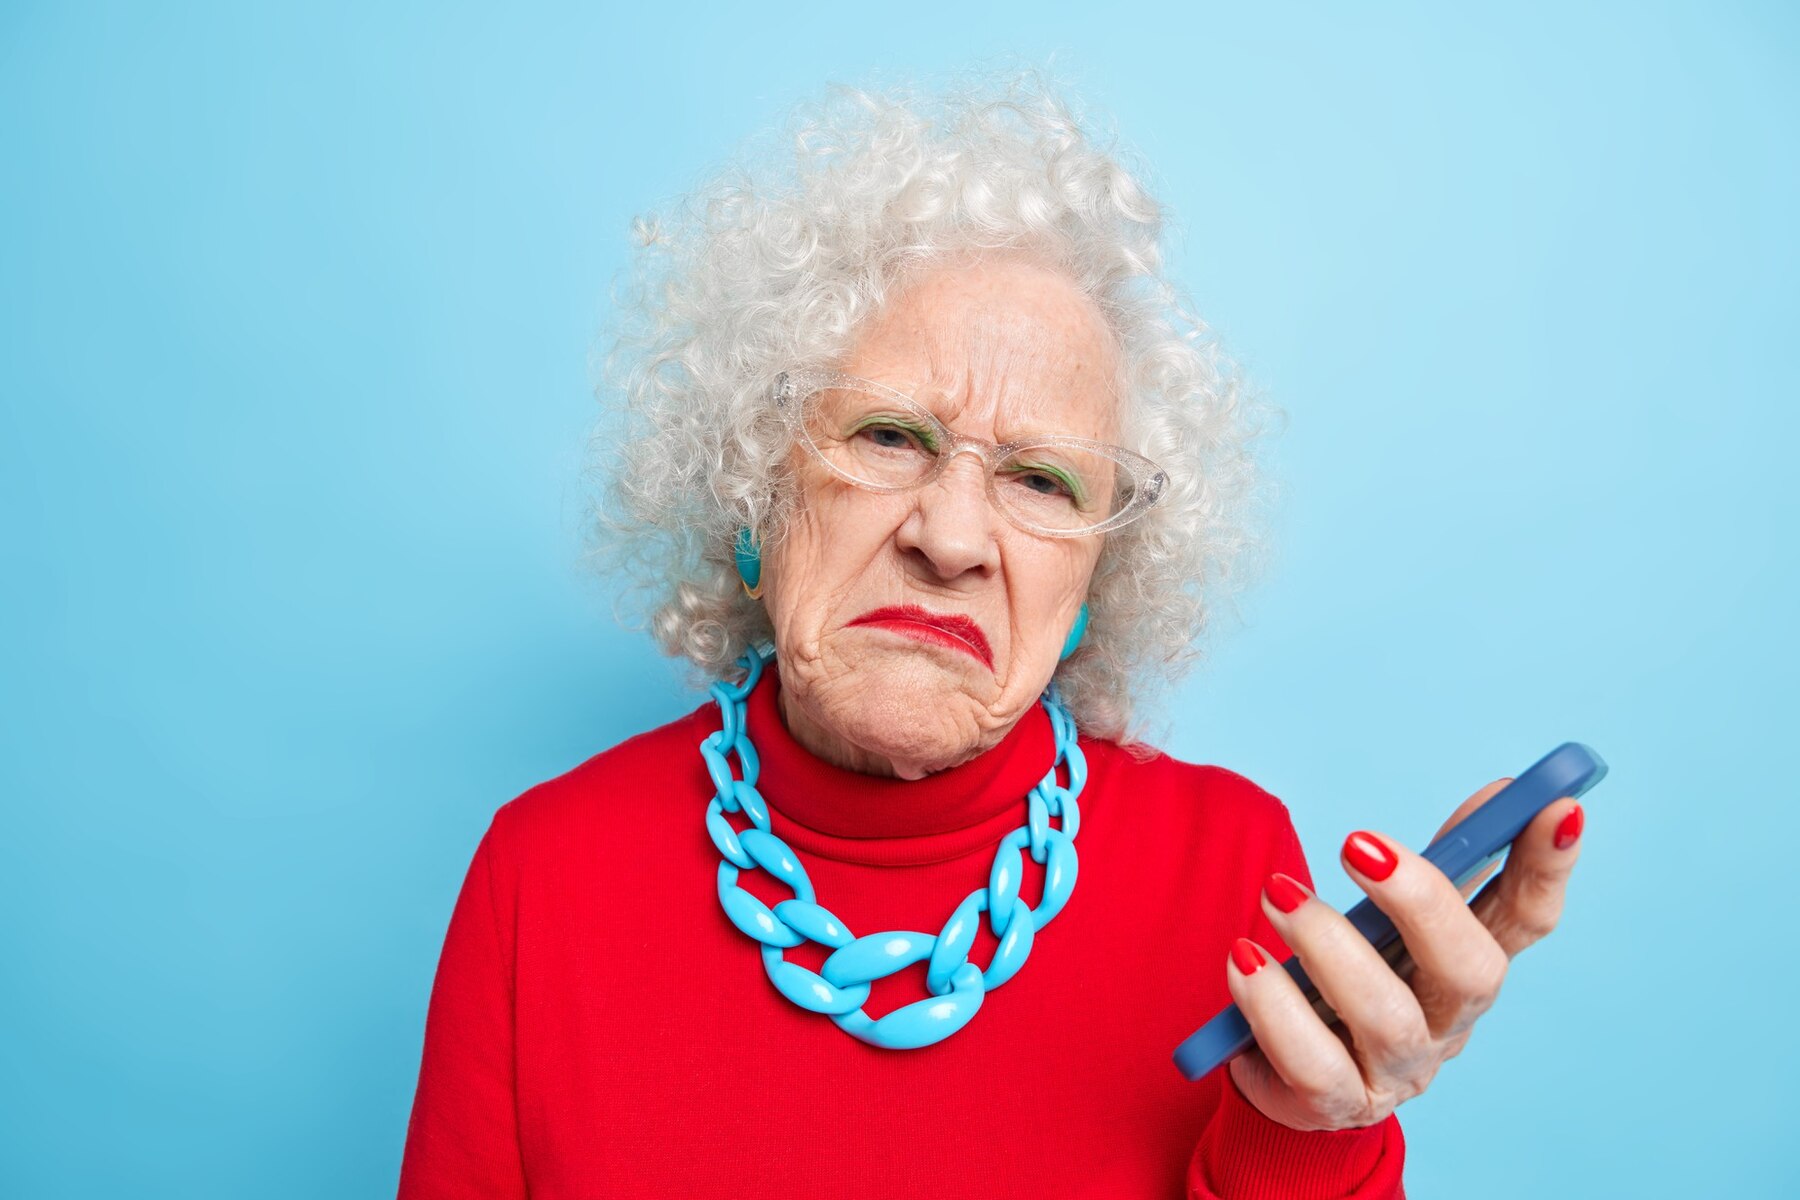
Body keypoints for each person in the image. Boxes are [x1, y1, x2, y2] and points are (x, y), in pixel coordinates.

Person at [396, 68, 1584, 1199]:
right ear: (758, 493)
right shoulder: (541, 878)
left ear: (1090, 588)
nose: (953, 539)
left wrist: (1308, 1142)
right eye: (888, 438)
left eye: (1042, 482)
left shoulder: (1229, 869)